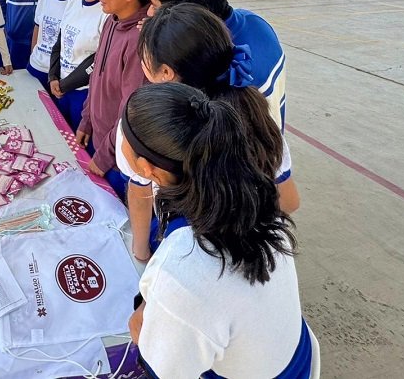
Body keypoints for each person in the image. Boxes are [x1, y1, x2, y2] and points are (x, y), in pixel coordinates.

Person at [122, 83, 316, 378]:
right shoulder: (247, 193)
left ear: (147, 168)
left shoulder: (182, 271)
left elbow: (164, 369)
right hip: (292, 357)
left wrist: (148, 334)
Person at [123, 3, 298, 263]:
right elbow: (289, 200)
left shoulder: (144, 122)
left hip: (184, 258)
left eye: (146, 59)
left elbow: (140, 194)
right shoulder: (257, 114)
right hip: (245, 258)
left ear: (166, 73)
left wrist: (141, 253)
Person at [144, 0, 299, 210]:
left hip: (240, 183)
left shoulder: (216, 70)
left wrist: (159, 80)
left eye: (157, 8)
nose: (150, 14)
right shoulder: (252, 22)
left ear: (188, 13)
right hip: (271, 154)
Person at [76, 0, 154, 199]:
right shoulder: (112, 20)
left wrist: (104, 156)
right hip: (100, 140)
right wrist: (87, 120)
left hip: (118, 157)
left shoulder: (139, 40)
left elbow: (130, 112)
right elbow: (96, 74)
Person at [48, 0, 109, 130]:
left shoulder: (104, 12)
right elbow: (60, 42)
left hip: (83, 93)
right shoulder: (74, 1)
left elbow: (97, 59)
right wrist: (53, 76)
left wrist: (65, 85)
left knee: (79, 146)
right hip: (61, 86)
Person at [27, 0, 73, 88]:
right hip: (36, 66)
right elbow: (37, 28)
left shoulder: (76, 2)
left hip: (59, 74)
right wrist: (32, 55)